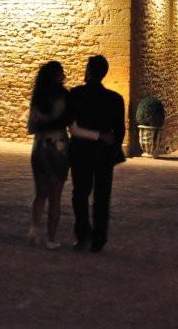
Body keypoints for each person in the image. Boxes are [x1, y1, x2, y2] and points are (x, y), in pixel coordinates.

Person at [66, 55, 126, 253]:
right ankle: (99, 239)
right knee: (102, 197)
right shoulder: (115, 99)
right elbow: (120, 132)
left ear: (89, 71)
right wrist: (108, 142)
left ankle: (83, 235)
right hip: (103, 154)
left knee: (80, 194)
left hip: (80, 152)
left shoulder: (75, 94)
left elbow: (71, 126)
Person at [27, 61, 71, 250]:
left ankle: (34, 230)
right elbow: (72, 124)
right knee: (55, 195)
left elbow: (31, 127)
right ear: (57, 75)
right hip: (58, 146)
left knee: (40, 194)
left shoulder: (37, 97)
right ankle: (51, 239)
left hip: (39, 146)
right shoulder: (64, 96)